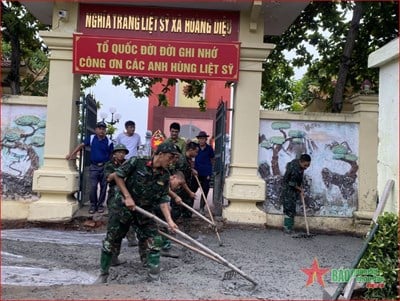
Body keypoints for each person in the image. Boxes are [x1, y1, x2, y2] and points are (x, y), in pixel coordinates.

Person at [96, 142, 180, 283]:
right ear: (160, 154)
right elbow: (118, 176)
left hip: (145, 212)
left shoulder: (165, 175)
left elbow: (163, 199)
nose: (171, 162)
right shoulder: (137, 162)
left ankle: (154, 278)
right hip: (123, 207)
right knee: (111, 241)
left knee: (155, 241)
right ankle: (103, 274)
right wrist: (128, 197)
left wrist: (170, 221)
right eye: (170, 157)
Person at [66, 121, 113, 214]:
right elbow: (81, 145)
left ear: (105, 131)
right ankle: (93, 205)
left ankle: (100, 206)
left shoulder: (109, 142)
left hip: (104, 167)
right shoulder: (91, 138)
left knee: (104, 187)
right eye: (99, 128)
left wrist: (110, 167)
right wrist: (72, 154)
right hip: (94, 166)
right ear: (96, 130)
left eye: (103, 129)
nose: (101, 130)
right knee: (93, 186)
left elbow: (112, 155)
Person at [103, 143, 129, 266]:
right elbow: (109, 178)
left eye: (123, 152)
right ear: (114, 153)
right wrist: (121, 171)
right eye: (119, 152)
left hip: (126, 199)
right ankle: (106, 259)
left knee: (122, 230)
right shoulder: (109, 165)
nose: (121, 154)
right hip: (114, 199)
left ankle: (115, 257)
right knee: (112, 230)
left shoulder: (128, 163)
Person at [280, 154, 311, 234]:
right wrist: (300, 189)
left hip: (293, 190)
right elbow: (289, 182)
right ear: (301, 162)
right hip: (288, 191)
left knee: (292, 209)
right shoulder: (294, 169)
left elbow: (298, 179)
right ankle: (287, 228)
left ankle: (290, 227)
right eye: (305, 165)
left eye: (308, 165)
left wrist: (300, 186)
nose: (306, 167)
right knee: (289, 209)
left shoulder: (298, 164)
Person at [169, 141, 199, 220]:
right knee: (176, 209)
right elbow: (181, 180)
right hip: (180, 189)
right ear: (191, 150)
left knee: (187, 209)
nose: (197, 154)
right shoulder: (182, 161)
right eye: (196, 152)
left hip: (185, 188)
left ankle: (186, 225)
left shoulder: (187, 159)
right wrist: (190, 192)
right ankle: (171, 225)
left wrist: (192, 170)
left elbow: (187, 170)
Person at [194, 131, 215, 215]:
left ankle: (201, 208)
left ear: (206, 139)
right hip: (196, 172)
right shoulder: (196, 148)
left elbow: (212, 159)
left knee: (205, 190)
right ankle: (189, 207)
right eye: (200, 139)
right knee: (192, 189)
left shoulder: (209, 148)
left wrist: (210, 169)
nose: (201, 140)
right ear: (198, 139)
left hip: (206, 173)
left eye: (203, 139)